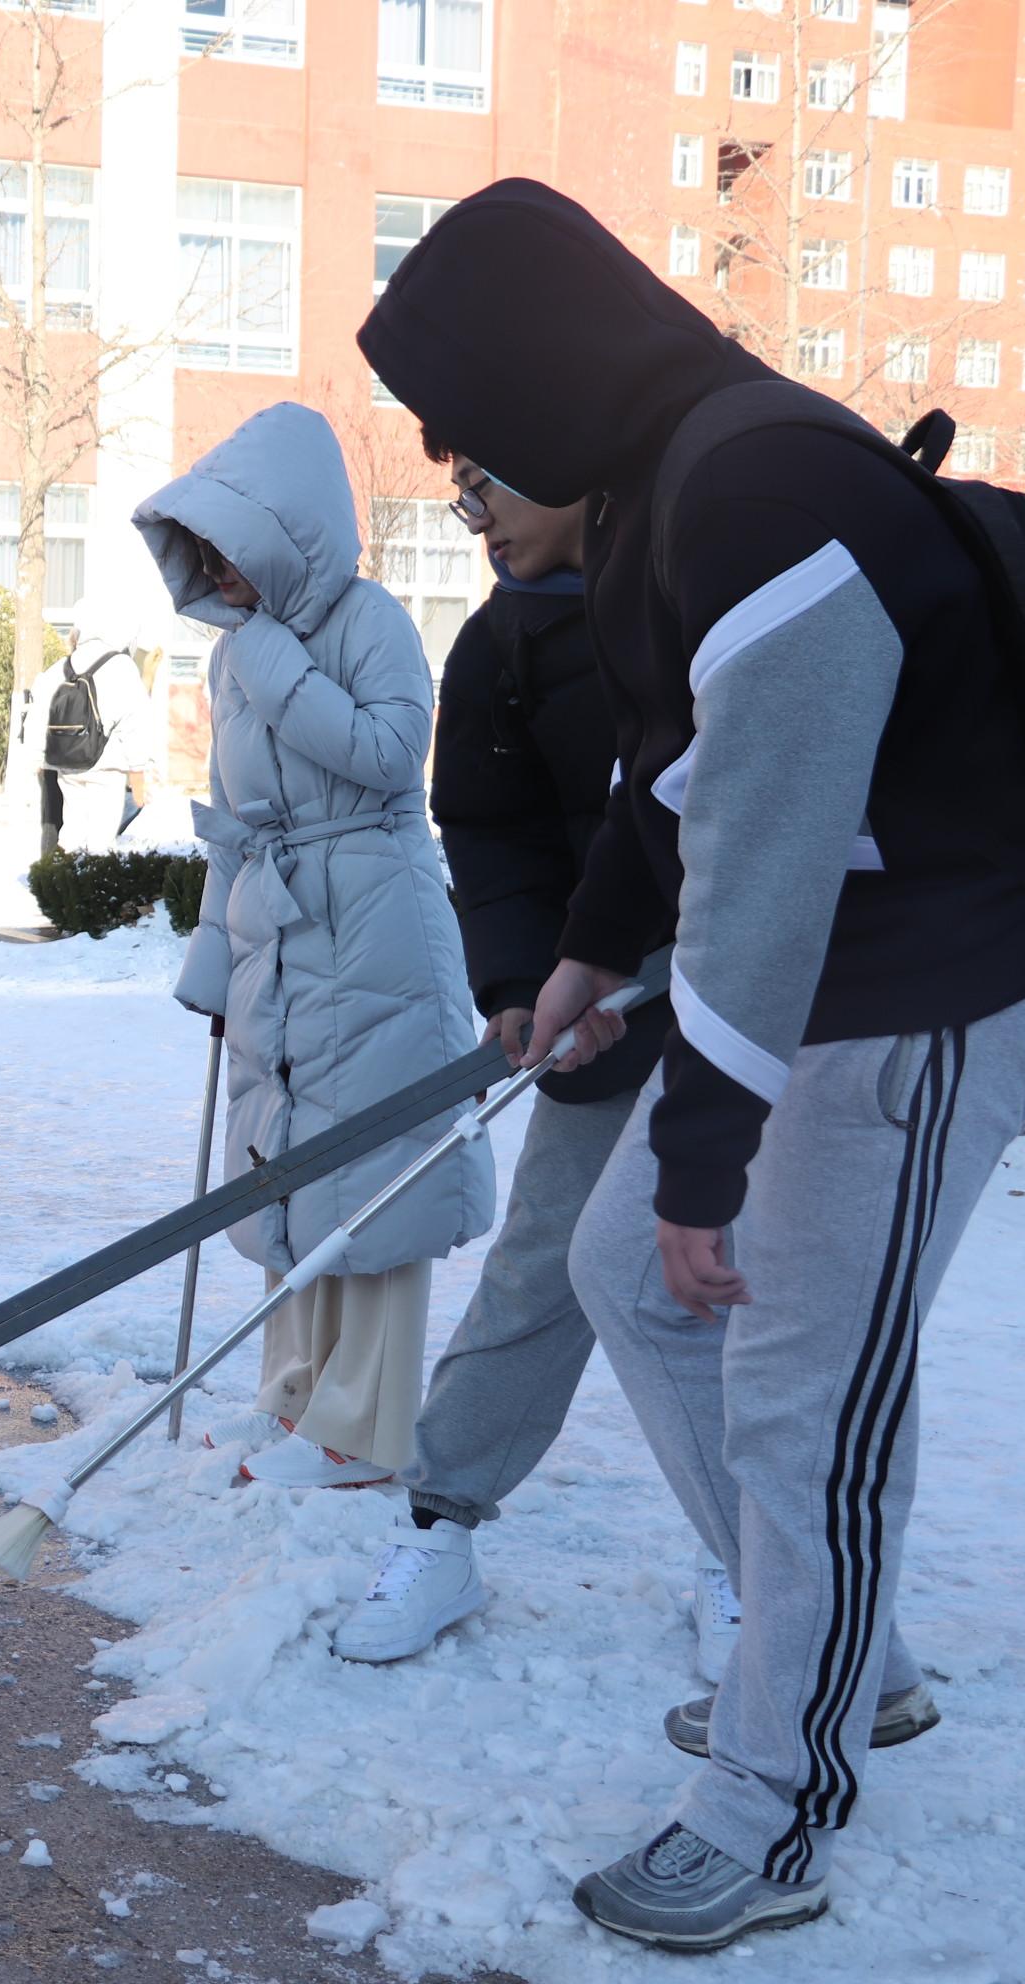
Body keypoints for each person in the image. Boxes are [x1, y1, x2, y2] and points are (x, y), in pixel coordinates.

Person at [362, 178, 1025, 1952]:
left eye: (455, 406)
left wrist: (699, 1160)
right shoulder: (675, 486)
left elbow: (759, 853)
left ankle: (770, 1807)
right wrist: (587, 964)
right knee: (620, 1271)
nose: (450, 450)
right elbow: (667, 787)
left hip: (931, 986)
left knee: (798, 1391)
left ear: (539, 360)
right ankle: (854, 1660)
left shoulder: (756, 486)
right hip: (846, 966)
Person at [329, 438, 731, 1675]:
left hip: (765, 1010)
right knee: (545, 1268)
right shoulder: (500, 644)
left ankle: (748, 1560)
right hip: (599, 1010)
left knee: (729, 1286)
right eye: (463, 496)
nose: (475, 517)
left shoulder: (701, 598)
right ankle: (441, 1526)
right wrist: (527, 983)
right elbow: (492, 830)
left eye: (491, 485)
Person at [134, 402, 493, 1493]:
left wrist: (283, 668)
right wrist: (211, 963)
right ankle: (291, 1397)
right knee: (287, 1178)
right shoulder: (237, 657)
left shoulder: (367, 620)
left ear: (289, 536)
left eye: (232, 550)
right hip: (281, 936)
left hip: (375, 918)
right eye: (202, 554)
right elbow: (234, 818)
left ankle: (363, 1427)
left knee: (377, 1180)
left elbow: (391, 754)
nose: (217, 573)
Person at [24, 596, 154, 855]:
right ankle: (93, 890)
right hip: (107, 766)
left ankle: (65, 884)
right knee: (102, 840)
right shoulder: (121, 666)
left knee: (71, 832)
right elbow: (135, 721)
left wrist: (39, 758)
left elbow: (40, 712)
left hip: (67, 763)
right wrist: (138, 770)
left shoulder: (62, 666)